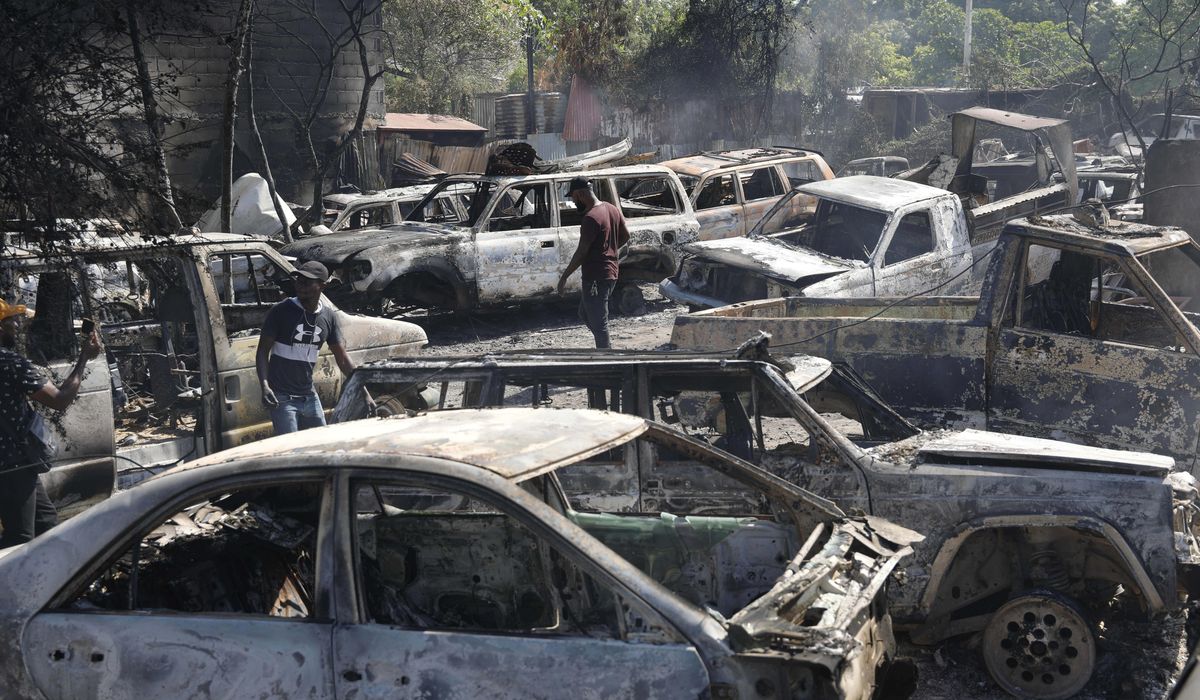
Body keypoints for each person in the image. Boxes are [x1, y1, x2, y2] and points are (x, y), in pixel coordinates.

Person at [0, 298, 101, 548]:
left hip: (16, 463)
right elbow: (60, 399)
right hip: (12, 464)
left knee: (45, 523)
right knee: (20, 537)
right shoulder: (9, 364)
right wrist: (84, 359)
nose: (17, 324)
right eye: (10, 320)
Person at [256, 261, 355, 434]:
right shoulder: (281, 311)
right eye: (298, 280)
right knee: (289, 450)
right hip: (282, 398)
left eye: (307, 282)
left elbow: (343, 359)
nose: (300, 286)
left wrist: (364, 391)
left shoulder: (328, 317)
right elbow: (262, 352)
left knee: (320, 447)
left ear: (322, 285)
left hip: (309, 396)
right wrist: (265, 386)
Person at [557, 177, 630, 348]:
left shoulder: (590, 218)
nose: (574, 202)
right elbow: (626, 236)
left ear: (581, 194)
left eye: (573, 198)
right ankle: (605, 346)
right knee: (584, 314)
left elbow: (582, 252)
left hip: (597, 277)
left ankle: (608, 358)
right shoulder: (611, 208)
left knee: (599, 324)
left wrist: (564, 277)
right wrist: (610, 251)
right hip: (609, 273)